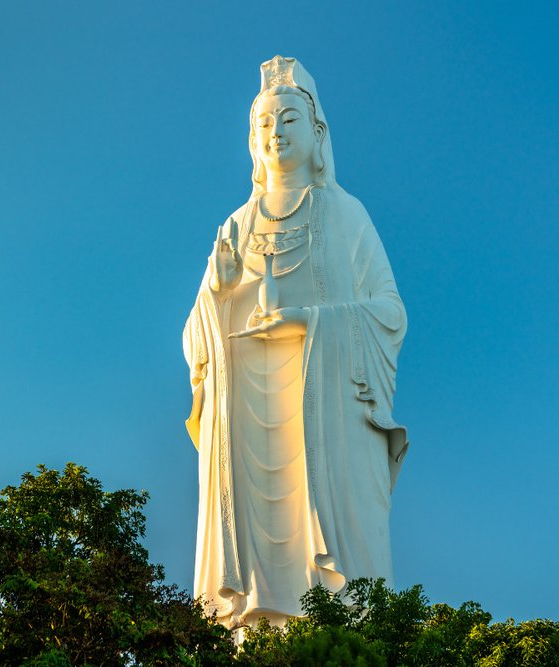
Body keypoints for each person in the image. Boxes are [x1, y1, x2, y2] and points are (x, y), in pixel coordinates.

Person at [183, 56, 409, 630]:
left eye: (288, 120)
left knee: (340, 594)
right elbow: (195, 340)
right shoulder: (235, 225)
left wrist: (309, 321)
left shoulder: (346, 214)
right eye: (263, 125)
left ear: (317, 134)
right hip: (247, 418)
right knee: (250, 591)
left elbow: (389, 313)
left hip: (325, 411)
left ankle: (343, 623)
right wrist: (219, 290)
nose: (275, 133)